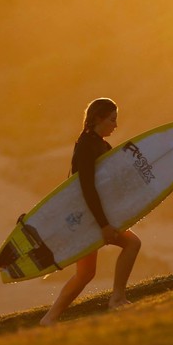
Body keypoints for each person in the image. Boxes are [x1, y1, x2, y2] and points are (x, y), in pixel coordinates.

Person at [40, 98, 141, 326]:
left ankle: (49, 318)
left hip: (86, 216)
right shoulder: (86, 145)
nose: (115, 125)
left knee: (86, 274)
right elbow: (86, 187)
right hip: (87, 216)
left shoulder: (100, 145)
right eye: (112, 120)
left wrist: (166, 180)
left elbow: (121, 174)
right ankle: (117, 298)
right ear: (98, 118)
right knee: (132, 244)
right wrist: (103, 224)